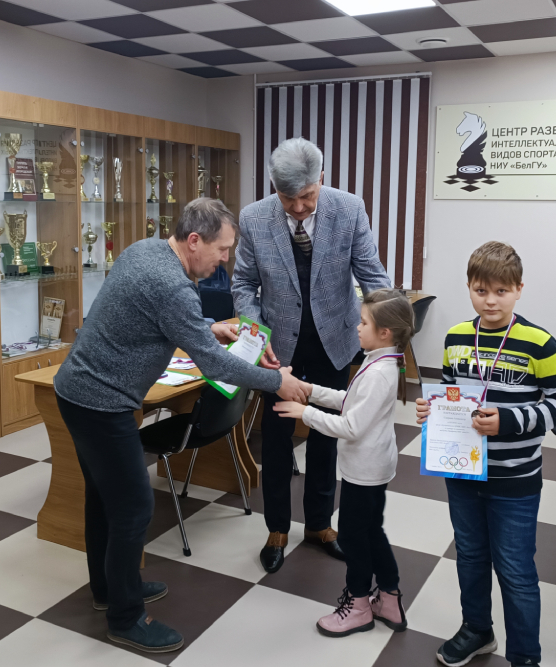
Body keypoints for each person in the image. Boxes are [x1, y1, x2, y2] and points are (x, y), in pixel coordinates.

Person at [53, 198, 307, 653]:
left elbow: (160, 316)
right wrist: (278, 382)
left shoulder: (145, 249)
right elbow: (215, 365)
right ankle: (125, 618)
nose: (225, 259)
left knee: (104, 498)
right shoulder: (174, 286)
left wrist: (208, 326)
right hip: (100, 403)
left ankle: (110, 589)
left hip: (77, 391)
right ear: (194, 241)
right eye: (222, 249)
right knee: (133, 507)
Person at [415, 242, 556, 667]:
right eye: (481, 290)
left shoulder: (538, 342)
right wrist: (432, 409)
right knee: (470, 557)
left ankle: (525, 656)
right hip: (463, 473)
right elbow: (450, 392)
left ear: (519, 289)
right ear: (469, 288)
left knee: (516, 571)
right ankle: (477, 629)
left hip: (514, 479)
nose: (490, 301)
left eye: (501, 291)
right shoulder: (456, 337)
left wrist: (510, 420)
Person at [233, 137, 391, 574]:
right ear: (273, 186)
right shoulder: (254, 217)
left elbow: (372, 274)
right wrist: (256, 331)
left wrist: (389, 327)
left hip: (333, 343)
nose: (299, 208)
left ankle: (320, 525)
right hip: (277, 350)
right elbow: (243, 284)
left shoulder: (349, 209)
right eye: (289, 199)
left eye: (307, 196)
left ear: (321, 178)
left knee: (326, 437)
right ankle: (277, 529)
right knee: (277, 441)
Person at [274, 289, 414, 638]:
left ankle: (359, 605)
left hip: (365, 472)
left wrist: (304, 413)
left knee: (353, 537)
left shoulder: (379, 373)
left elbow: (350, 426)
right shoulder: (379, 360)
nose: (357, 328)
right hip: (371, 467)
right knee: (371, 531)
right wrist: (310, 390)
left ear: (385, 332)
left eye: (363, 323)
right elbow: (350, 400)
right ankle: (390, 598)